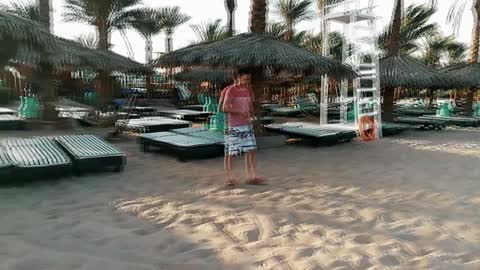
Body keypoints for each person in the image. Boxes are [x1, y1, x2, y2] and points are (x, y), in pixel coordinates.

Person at [222, 68, 264, 186]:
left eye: (249, 79)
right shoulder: (231, 90)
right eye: (245, 79)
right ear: (238, 78)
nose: (247, 81)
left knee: (251, 150)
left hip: (247, 125)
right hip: (234, 126)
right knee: (232, 152)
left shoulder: (248, 90)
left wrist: (251, 114)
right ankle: (230, 177)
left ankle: (251, 176)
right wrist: (239, 112)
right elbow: (225, 108)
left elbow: (249, 106)